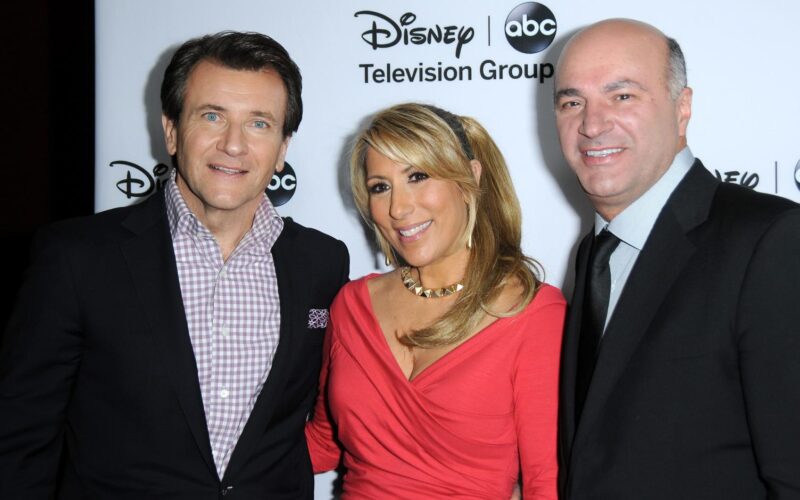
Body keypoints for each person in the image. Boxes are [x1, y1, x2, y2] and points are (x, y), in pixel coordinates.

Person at [0, 31, 348, 498]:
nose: (234, 144)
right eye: (212, 116)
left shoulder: (323, 262)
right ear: (171, 131)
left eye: (259, 123)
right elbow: (20, 437)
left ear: (283, 147)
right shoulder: (76, 257)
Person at [554, 19, 800, 499]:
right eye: (572, 102)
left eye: (622, 96)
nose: (592, 124)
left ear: (682, 108)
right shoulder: (593, 254)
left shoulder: (770, 240)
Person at [305, 103, 565, 498]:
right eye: (380, 187)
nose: (398, 208)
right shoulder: (351, 305)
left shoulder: (533, 313)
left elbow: (545, 483)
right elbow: (323, 443)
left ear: (470, 178)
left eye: (418, 176)